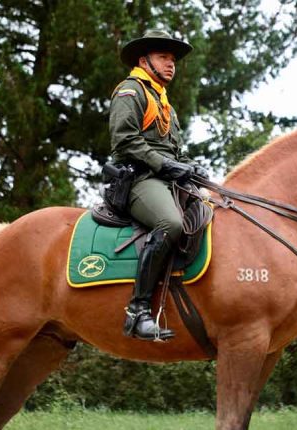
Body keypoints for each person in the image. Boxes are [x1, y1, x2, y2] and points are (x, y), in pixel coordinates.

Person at [108, 30, 208, 341]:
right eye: (164, 57)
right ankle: (137, 311)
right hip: (140, 178)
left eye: (173, 60)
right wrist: (166, 165)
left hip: (165, 177)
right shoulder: (130, 91)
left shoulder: (164, 102)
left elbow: (174, 150)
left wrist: (190, 166)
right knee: (171, 223)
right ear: (144, 60)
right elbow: (124, 141)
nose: (171, 64)